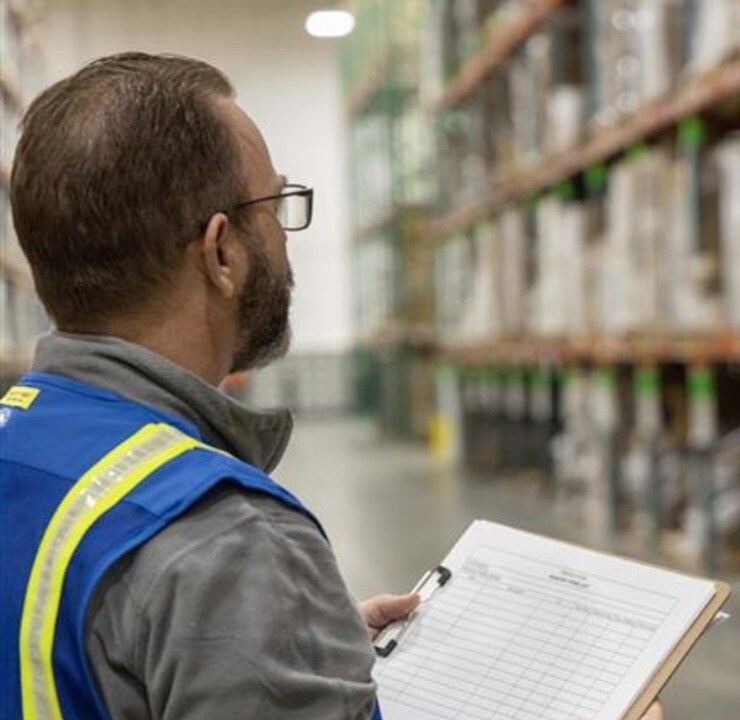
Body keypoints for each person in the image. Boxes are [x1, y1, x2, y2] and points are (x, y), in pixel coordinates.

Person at [0, 53, 662, 720]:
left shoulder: (20, 445)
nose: (285, 241)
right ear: (222, 253)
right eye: (276, 205)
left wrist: (284, 648)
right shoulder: (223, 542)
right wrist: (257, 603)